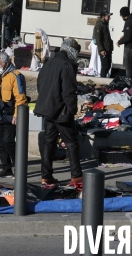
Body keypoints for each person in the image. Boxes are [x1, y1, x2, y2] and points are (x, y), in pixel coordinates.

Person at [34, 38, 83, 185]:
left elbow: (39, 84)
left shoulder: (49, 63)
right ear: (72, 51)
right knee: (71, 143)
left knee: (49, 142)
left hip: (48, 109)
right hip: (61, 111)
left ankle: (46, 175)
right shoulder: (67, 65)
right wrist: (72, 110)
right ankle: (76, 175)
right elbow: (69, 91)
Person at [116, 6, 132, 79]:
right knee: (130, 64)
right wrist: (124, 35)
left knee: (128, 65)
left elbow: (129, 37)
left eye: (121, 15)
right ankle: (131, 80)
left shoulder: (129, 22)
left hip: (130, 47)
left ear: (123, 15)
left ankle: (129, 81)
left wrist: (119, 42)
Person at [93, 10, 114, 78]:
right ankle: (102, 80)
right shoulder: (99, 25)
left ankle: (104, 78)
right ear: (103, 17)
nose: (109, 18)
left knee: (108, 66)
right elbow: (98, 39)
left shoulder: (105, 24)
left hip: (108, 49)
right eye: (108, 16)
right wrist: (101, 50)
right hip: (103, 50)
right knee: (105, 66)